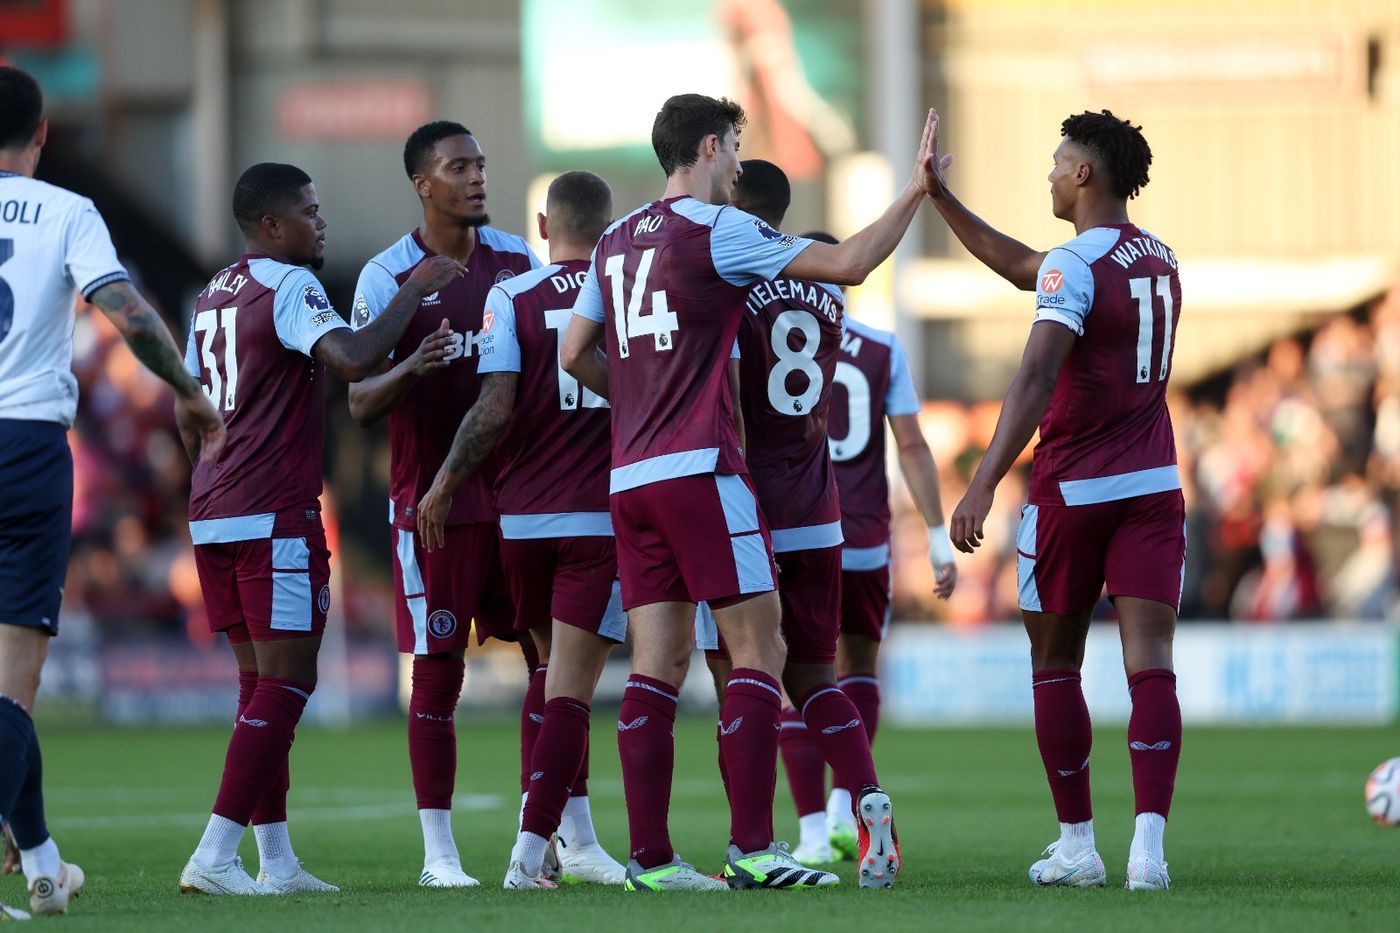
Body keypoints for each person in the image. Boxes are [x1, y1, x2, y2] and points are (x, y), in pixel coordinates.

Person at [559, 93, 942, 892]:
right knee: (764, 651)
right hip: (705, 471)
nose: (739, 163)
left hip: (630, 476)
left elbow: (574, 352)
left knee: (655, 666)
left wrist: (637, 408)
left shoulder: (614, 241)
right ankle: (755, 848)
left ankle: (653, 859)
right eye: (735, 146)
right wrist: (913, 191)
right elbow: (848, 266)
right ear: (707, 146)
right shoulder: (721, 229)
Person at [177, 161, 465, 896]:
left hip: (214, 511)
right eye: (308, 210)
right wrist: (414, 289)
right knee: (290, 681)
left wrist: (212, 470)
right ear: (272, 227)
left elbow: (187, 408)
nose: (321, 220)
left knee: (258, 684)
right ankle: (214, 854)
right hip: (271, 510)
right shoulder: (288, 283)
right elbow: (353, 357)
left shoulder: (215, 292)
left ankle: (274, 862)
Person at [931, 109, 1183, 891]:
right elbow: (1024, 265)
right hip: (1151, 484)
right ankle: (1149, 848)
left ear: (1084, 175)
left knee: (1054, 663)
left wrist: (981, 480)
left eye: (1057, 160)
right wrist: (942, 199)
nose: (1047, 172)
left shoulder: (1073, 266)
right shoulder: (1161, 258)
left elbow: (1037, 377)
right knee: (1152, 668)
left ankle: (1078, 844)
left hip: (1072, 489)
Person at [0, 65, 224, 920]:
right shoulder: (64, 211)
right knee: (13, 687)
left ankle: (45, 864)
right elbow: (125, 308)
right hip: (23, 445)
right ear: (44, 132)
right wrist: (189, 389)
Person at [706, 163, 923, 887]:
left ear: (736, 208)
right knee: (818, 676)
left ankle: (758, 842)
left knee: (744, 676)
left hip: (748, 511)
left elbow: (731, 402)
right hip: (821, 511)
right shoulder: (825, 295)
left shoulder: (731, 286)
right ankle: (867, 798)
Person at [416, 170, 627, 890]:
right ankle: (529, 851)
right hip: (598, 518)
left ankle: (573, 840)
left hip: (523, 523)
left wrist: (445, 480)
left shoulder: (510, 295)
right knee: (570, 690)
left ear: (544, 226)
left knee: (548, 677)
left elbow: (494, 406)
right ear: (610, 230)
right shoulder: (622, 299)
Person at [347, 121, 543, 889]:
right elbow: (359, 396)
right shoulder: (384, 274)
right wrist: (415, 368)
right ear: (422, 183)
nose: (477, 177)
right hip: (431, 510)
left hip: (522, 499)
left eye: (481, 163)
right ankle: (440, 854)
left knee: (552, 666)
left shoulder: (517, 261)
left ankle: (556, 835)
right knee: (438, 672)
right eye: (458, 166)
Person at [769, 233, 958, 866]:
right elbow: (911, 444)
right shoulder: (880, 347)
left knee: (791, 676)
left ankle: (812, 835)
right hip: (865, 539)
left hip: (789, 526)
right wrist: (936, 537)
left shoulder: (766, 328)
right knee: (855, 668)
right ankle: (845, 804)